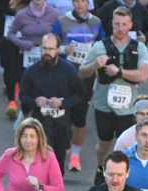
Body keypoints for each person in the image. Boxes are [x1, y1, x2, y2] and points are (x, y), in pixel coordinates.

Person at [81, 6, 148, 166]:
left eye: (124, 24)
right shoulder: (99, 46)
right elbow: (82, 73)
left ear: (130, 25)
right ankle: (101, 169)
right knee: (104, 146)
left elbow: (144, 76)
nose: (120, 28)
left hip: (128, 108)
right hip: (103, 105)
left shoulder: (139, 48)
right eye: (117, 24)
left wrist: (119, 72)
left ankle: (121, 175)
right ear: (112, 24)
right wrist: (94, 65)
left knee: (125, 147)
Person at [17, 34, 84, 171]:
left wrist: (62, 103)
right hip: (39, 121)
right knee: (38, 162)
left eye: (51, 49)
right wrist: (35, 101)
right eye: (44, 48)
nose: (47, 52)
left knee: (58, 165)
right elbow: (23, 95)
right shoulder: (31, 71)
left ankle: (56, 184)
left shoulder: (68, 70)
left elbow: (80, 94)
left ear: (58, 50)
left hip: (61, 122)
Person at [53, 0, 104, 171]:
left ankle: (75, 155)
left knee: (80, 116)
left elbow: (103, 44)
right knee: (64, 113)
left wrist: (95, 53)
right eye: (76, 1)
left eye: (83, 1)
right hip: (65, 74)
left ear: (88, 3)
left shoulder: (96, 22)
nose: (80, 5)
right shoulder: (62, 21)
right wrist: (63, 50)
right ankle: (64, 144)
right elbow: (51, 45)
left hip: (87, 75)